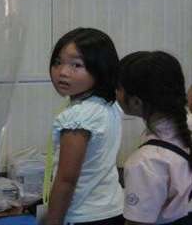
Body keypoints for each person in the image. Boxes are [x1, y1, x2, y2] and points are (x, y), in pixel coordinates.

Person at [43, 27, 124, 225]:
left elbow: (66, 181)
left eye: (76, 65)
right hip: (112, 208)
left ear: (100, 68)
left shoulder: (79, 116)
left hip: (84, 215)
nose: (63, 72)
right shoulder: (109, 105)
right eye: (58, 62)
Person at [117, 51, 192, 225]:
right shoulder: (187, 124)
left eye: (118, 88)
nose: (115, 93)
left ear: (136, 102)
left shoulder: (144, 162)